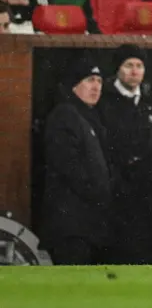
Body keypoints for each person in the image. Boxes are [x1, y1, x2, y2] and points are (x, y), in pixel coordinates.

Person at [98, 44, 152, 264]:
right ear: (118, 69)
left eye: (139, 65)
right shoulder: (105, 102)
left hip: (150, 188)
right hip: (118, 188)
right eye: (128, 65)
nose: (134, 71)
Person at [39, 54, 113, 265]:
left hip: (88, 224)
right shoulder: (64, 115)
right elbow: (66, 164)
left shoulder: (90, 118)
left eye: (99, 81)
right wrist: (95, 190)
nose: (96, 87)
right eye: (89, 80)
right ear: (74, 86)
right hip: (70, 224)